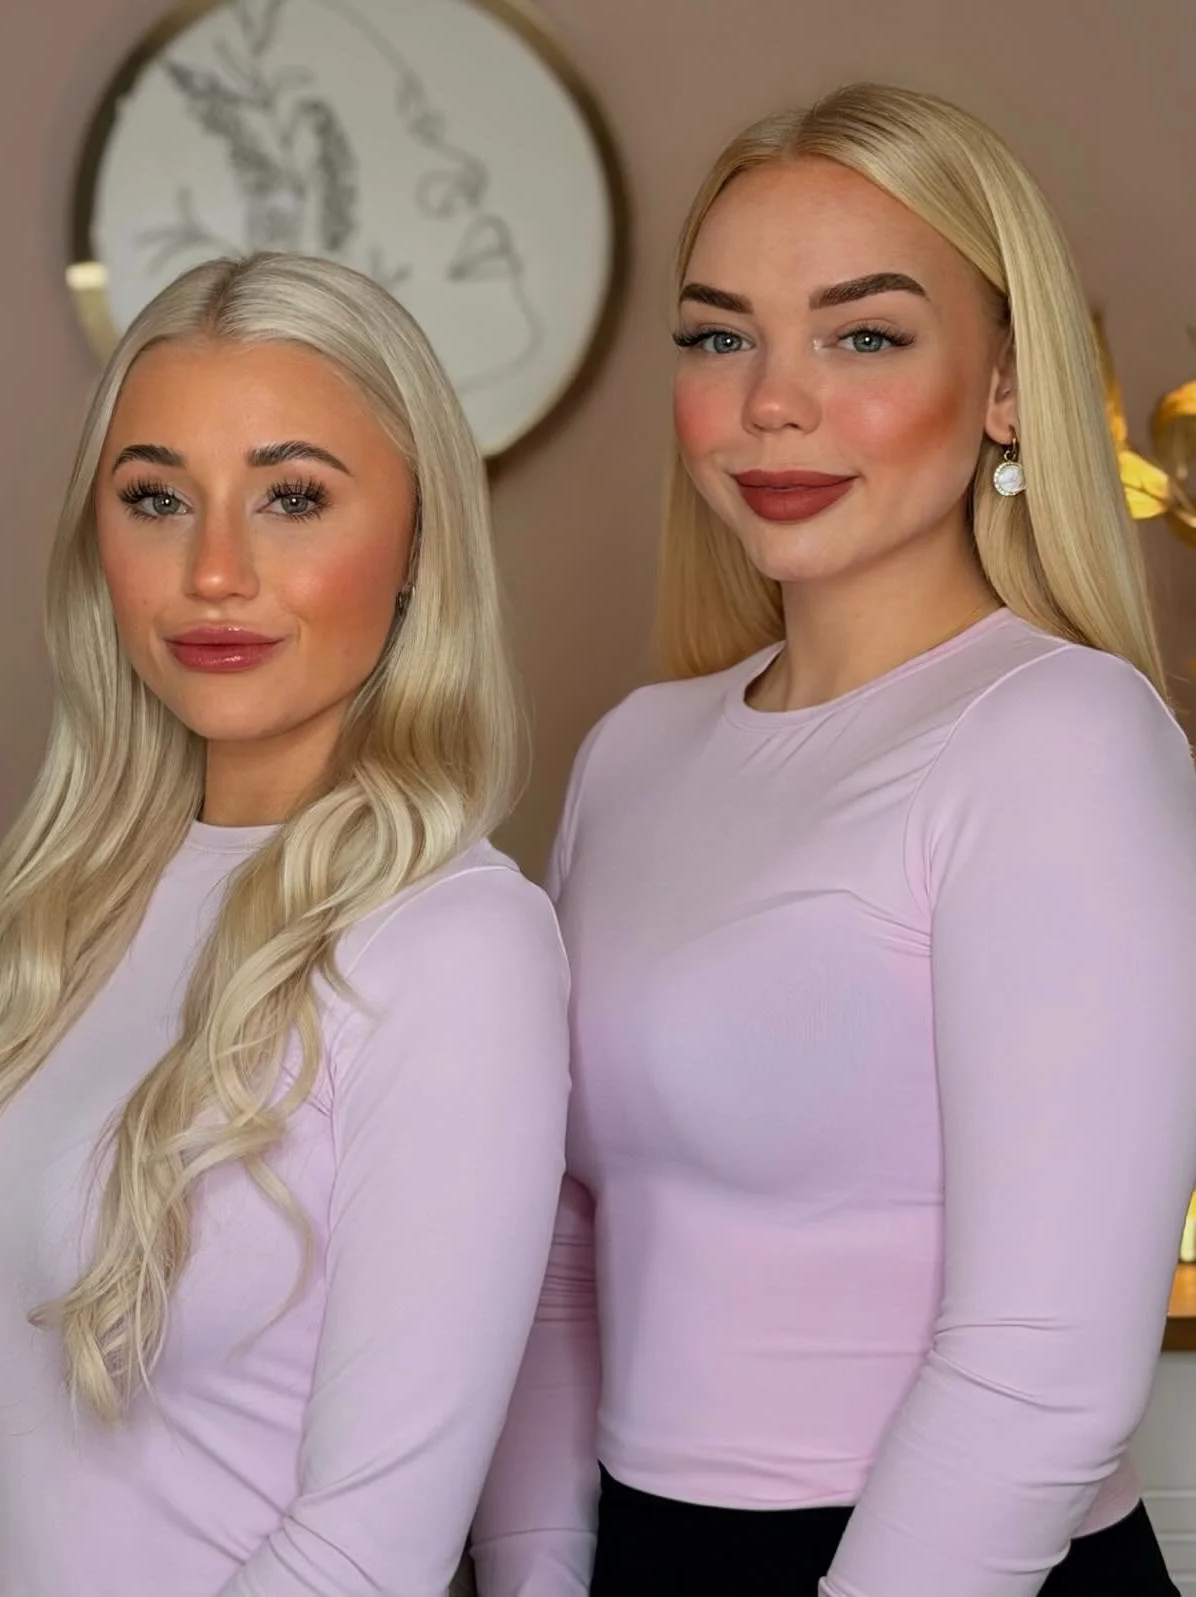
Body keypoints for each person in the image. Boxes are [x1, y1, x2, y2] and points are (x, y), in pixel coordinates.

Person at [471, 83, 1196, 1597]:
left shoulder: (1062, 738)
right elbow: (559, 1250)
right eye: (719, 337)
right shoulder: (636, 754)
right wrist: (542, 1575)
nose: (772, 403)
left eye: (863, 335)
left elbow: (1049, 1372)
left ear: (1008, 386)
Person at [0, 253, 571, 1597]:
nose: (215, 571)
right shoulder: (81, 906)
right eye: (157, 499)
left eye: (293, 498)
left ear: (417, 546)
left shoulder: (456, 949)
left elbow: (370, 1548)